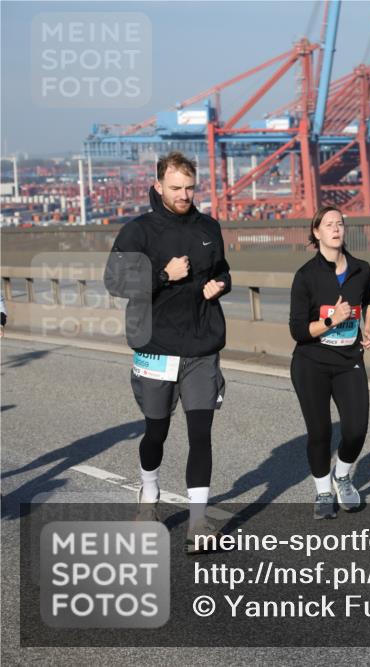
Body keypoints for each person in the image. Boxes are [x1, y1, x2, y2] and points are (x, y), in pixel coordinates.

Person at [103, 151, 230, 553]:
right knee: (156, 430)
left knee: (201, 434)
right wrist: (162, 275)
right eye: (176, 188)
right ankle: (149, 492)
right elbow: (115, 282)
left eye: (190, 188)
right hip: (155, 347)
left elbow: (223, 268)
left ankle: (197, 522)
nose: (184, 195)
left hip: (201, 346)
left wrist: (221, 284)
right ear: (158, 186)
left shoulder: (208, 226)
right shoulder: (137, 232)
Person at [288, 206, 370, 519]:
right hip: (311, 363)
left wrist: (366, 328)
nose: (336, 229)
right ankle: (324, 491)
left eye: (340, 223)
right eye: (329, 224)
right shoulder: (306, 276)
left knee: (356, 429)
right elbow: (298, 330)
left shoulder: (361, 269)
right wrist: (330, 319)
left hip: (349, 359)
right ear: (317, 232)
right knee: (320, 432)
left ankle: (342, 475)